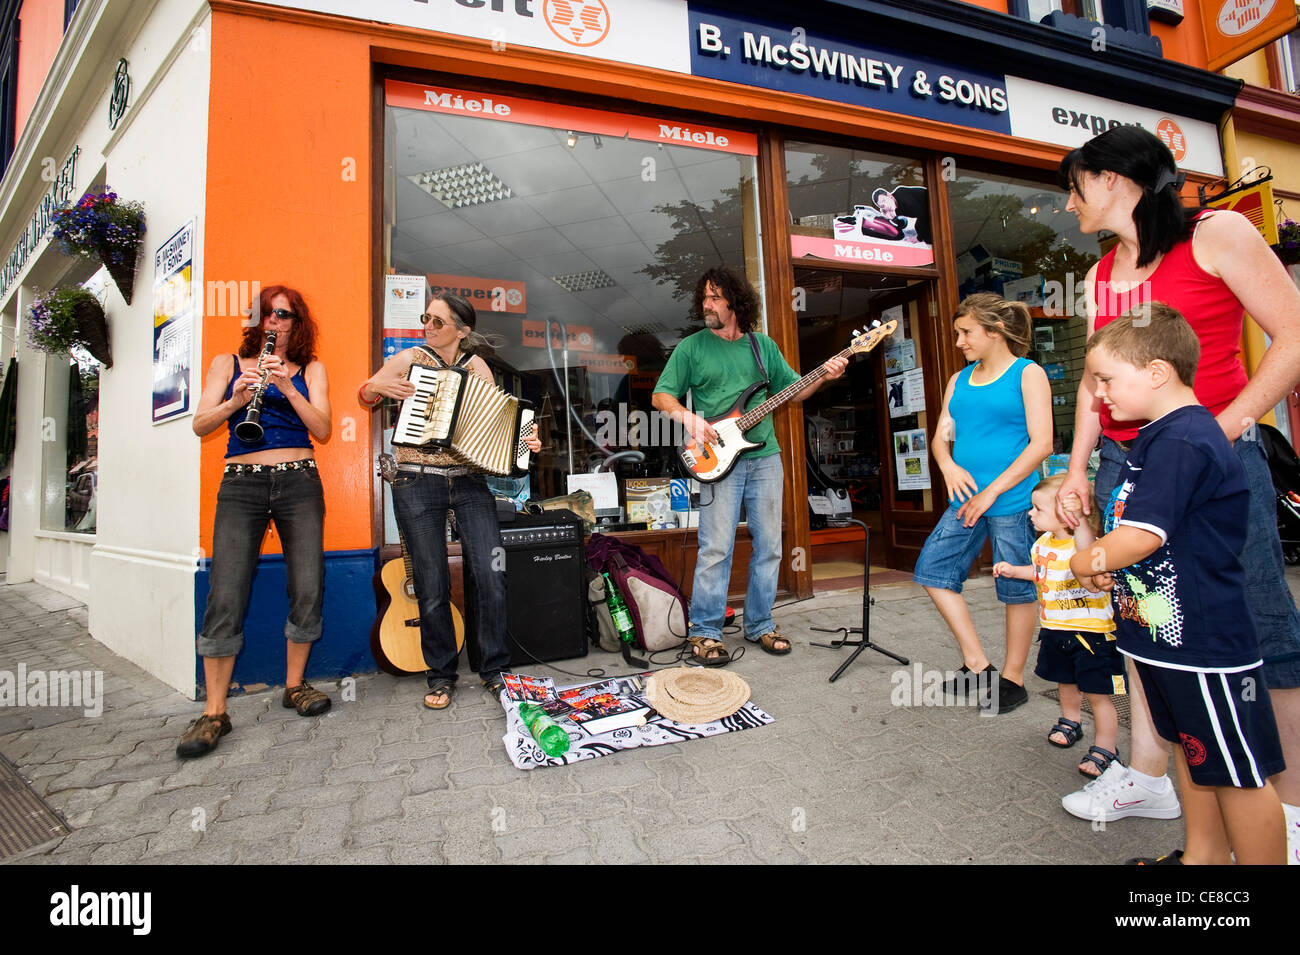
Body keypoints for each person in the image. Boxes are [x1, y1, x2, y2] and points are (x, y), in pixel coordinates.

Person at [1054, 125, 1300, 852]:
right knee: (1144, 625)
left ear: (1110, 180)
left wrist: (1225, 426)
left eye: (1075, 188)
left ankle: (1285, 807)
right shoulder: (1102, 274)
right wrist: (1075, 469)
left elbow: (1292, 332)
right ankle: (1154, 774)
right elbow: (1096, 384)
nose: (1070, 206)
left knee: (1257, 620)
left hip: (1215, 453)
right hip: (1127, 462)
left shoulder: (1218, 233)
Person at [1069, 306, 1286, 864]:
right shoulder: (1155, 436)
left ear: (1158, 372)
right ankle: (1203, 861)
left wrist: (1087, 558)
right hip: (1168, 644)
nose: (1098, 396)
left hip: (1205, 648)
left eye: (1106, 380)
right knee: (1197, 755)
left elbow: (1142, 536)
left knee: (1239, 776)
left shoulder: (1183, 440)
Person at [651, 266, 847, 664]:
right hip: (716, 459)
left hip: (765, 457)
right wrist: (690, 419)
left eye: (714, 297)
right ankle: (705, 631)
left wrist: (825, 375)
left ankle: (760, 623)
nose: (706, 305)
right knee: (716, 548)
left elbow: (794, 393)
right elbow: (661, 397)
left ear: (735, 302)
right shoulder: (692, 347)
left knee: (771, 546)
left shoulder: (763, 346)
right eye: (703, 298)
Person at [359, 292, 540, 711]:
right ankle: (441, 674)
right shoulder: (409, 359)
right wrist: (373, 387)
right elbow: (365, 394)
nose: (428, 327)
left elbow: (497, 425)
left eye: (438, 322)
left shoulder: (477, 367)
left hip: (469, 481)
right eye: (427, 318)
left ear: (462, 331)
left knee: (491, 573)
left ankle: (493, 669)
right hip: (416, 480)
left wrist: (523, 441)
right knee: (431, 582)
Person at [179, 285, 333, 758]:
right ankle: (215, 712)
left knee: (307, 584)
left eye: (284, 315)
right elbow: (201, 424)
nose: (275, 322)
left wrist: (286, 387)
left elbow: (324, 428)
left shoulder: (312, 369)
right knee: (226, 590)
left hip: (299, 479)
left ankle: (293, 685)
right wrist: (235, 400)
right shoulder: (227, 363)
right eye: (267, 314)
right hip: (241, 483)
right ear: (257, 320)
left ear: (296, 322)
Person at [912, 293, 1053, 714]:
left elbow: (1042, 443)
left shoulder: (1028, 375)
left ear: (994, 332)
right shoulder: (959, 380)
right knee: (933, 571)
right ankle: (977, 664)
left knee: (1015, 588)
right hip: (964, 501)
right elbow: (939, 437)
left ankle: (1013, 678)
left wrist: (992, 491)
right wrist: (947, 467)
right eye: (958, 332)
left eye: (966, 332)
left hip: (1012, 500)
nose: (959, 341)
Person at [993, 474, 1125, 778]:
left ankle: (1107, 746)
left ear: (1066, 515)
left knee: (1098, 692)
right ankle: (1070, 720)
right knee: (1065, 681)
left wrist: (1078, 519)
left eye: (1038, 509)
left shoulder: (1087, 544)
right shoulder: (1041, 544)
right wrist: (1015, 570)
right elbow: (1041, 572)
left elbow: (1086, 556)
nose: (1030, 514)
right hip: (1055, 629)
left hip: (1093, 635)